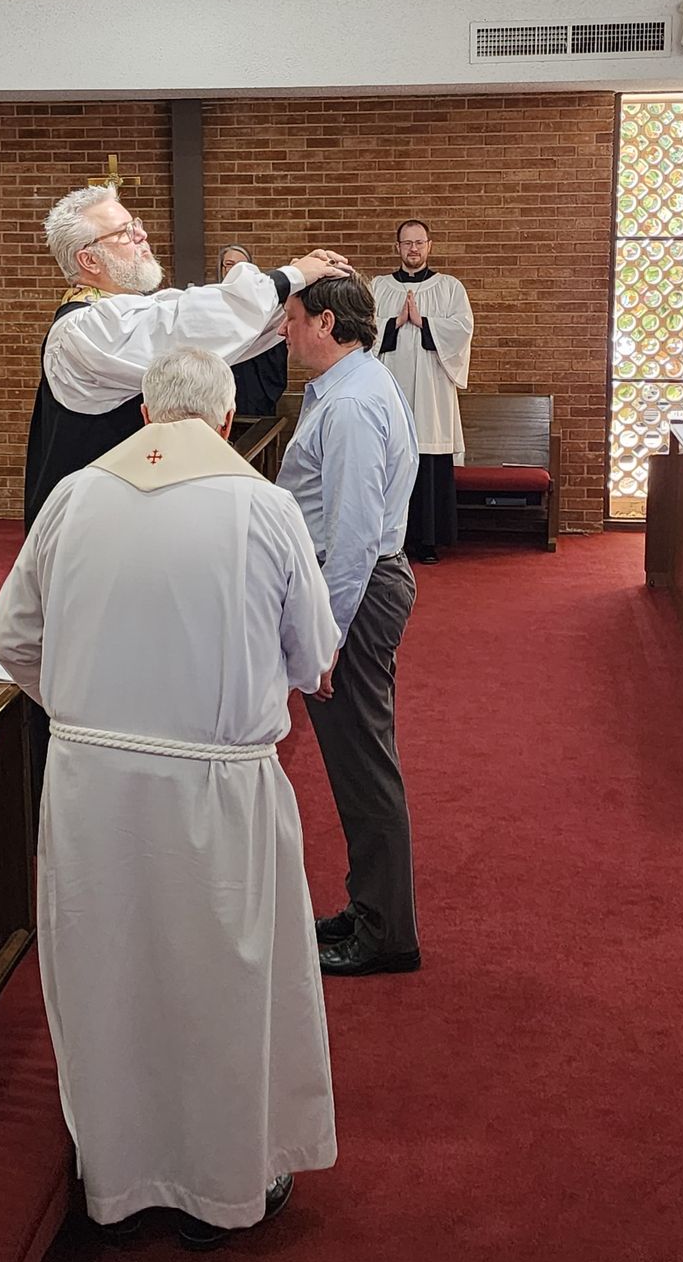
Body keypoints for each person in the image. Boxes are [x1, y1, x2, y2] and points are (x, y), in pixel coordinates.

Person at [0, 349, 340, 1249]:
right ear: (225, 422)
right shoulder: (261, 507)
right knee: (219, 986)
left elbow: (10, 636)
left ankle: (117, 1180)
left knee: (108, 981)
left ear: (144, 414)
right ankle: (222, 1193)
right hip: (215, 793)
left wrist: (84, 706)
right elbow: (313, 659)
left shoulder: (73, 496)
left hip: (89, 785)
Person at [22, 185, 349, 528]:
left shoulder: (128, 310)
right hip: (88, 521)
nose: (141, 234)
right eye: (125, 233)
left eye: (136, 224)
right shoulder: (81, 329)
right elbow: (186, 325)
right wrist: (289, 277)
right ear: (88, 259)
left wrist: (293, 296)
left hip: (125, 512)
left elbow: (223, 331)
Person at [277, 275, 420, 977]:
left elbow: (356, 533)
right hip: (353, 586)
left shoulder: (355, 403)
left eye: (294, 318)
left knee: (364, 765)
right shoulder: (352, 386)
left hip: (355, 595)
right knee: (358, 762)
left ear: (326, 322)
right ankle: (371, 906)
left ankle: (386, 931)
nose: (285, 330)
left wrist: (326, 636)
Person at [372, 220, 473, 563]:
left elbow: (462, 331)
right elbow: (361, 331)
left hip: (433, 391)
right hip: (390, 388)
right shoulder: (378, 288)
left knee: (428, 461)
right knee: (391, 460)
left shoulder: (449, 288)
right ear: (396, 247)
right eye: (406, 243)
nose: (413, 249)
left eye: (419, 243)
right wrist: (394, 323)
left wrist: (425, 323)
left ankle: (428, 541)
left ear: (430, 246)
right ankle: (388, 539)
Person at [218, 244, 289, 417]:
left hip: (254, 392)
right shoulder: (213, 306)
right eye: (229, 264)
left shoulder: (266, 308)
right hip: (218, 397)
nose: (235, 270)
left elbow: (275, 355)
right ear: (221, 269)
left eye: (242, 266)